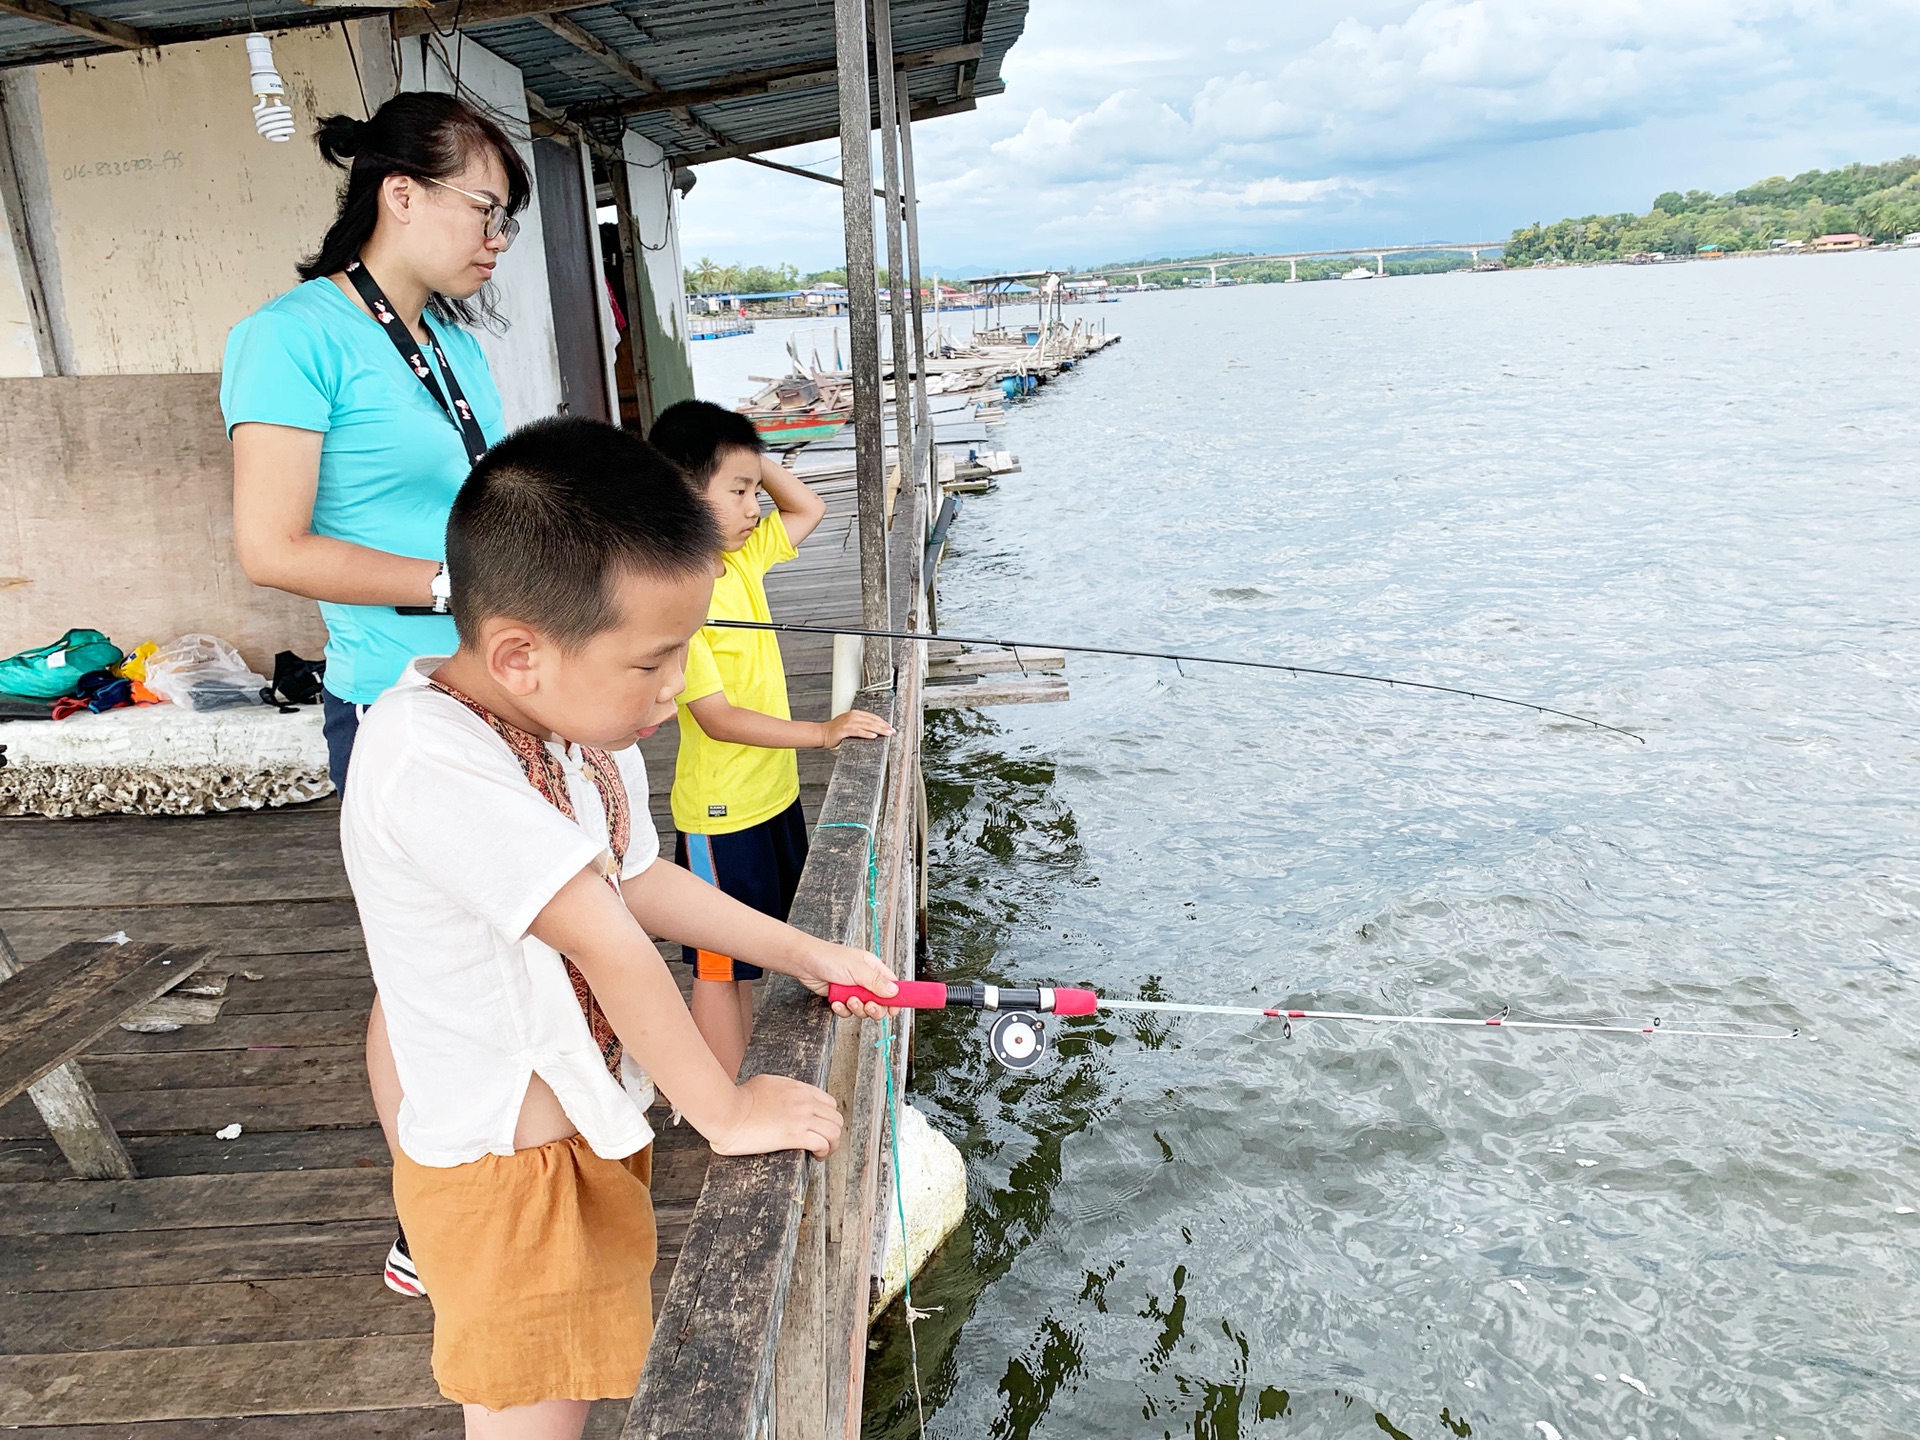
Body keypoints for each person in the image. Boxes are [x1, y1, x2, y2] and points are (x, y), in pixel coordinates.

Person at [339, 416, 898, 1439]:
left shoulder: (581, 731)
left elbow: (639, 878)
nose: (678, 687)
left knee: (583, 1390)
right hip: (507, 1183)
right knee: (533, 1421)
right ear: (519, 654)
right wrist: (725, 1113)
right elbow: (606, 934)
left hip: (591, 1132)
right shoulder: (427, 757)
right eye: (655, 661)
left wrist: (801, 948)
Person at [222, 90, 529, 1297]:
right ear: (399, 194)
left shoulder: (452, 338)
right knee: (422, 969)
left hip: (492, 684)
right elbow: (272, 546)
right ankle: (426, 1212)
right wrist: (456, 580)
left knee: (502, 946)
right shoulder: (290, 334)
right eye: (486, 208)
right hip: (390, 699)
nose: (497, 237)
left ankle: (480, 1172)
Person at [646, 400, 892, 1077]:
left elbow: (807, 507)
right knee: (720, 968)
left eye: (756, 491)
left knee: (755, 954)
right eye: (738, 491)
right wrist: (821, 732)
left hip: (774, 797)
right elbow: (716, 716)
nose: (756, 506)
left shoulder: (744, 559)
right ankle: (728, 1089)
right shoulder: (678, 592)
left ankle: (748, 1073)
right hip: (722, 817)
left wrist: (751, 455)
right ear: (680, 492)